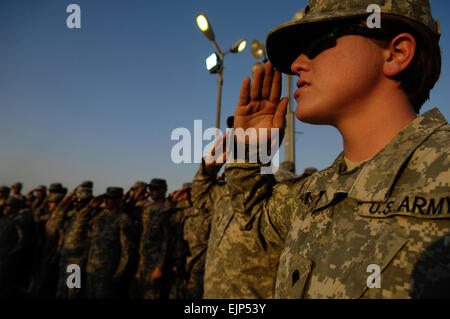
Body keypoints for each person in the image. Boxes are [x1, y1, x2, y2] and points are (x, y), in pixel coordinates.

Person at [225, 0, 449, 298]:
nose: (296, 65)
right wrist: (248, 151)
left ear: (396, 53)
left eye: (318, 42)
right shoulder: (317, 190)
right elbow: (252, 218)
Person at [84, 187, 134, 299]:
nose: (106, 201)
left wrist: (120, 272)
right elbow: (84, 225)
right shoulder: (101, 215)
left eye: (110, 198)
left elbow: (127, 249)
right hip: (91, 268)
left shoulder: (123, 219)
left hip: (107, 271)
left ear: (118, 200)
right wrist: (91, 207)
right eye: (106, 198)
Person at [132, 178, 173, 299]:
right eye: (150, 189)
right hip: (142, 261)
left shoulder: (168, 209)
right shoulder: (147, 207)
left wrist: (159, 268)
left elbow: (167, 241)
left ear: (164, 191)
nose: (151, 191)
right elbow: (131, 205)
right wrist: (140, 191)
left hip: (155, 263)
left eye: (155, 189)